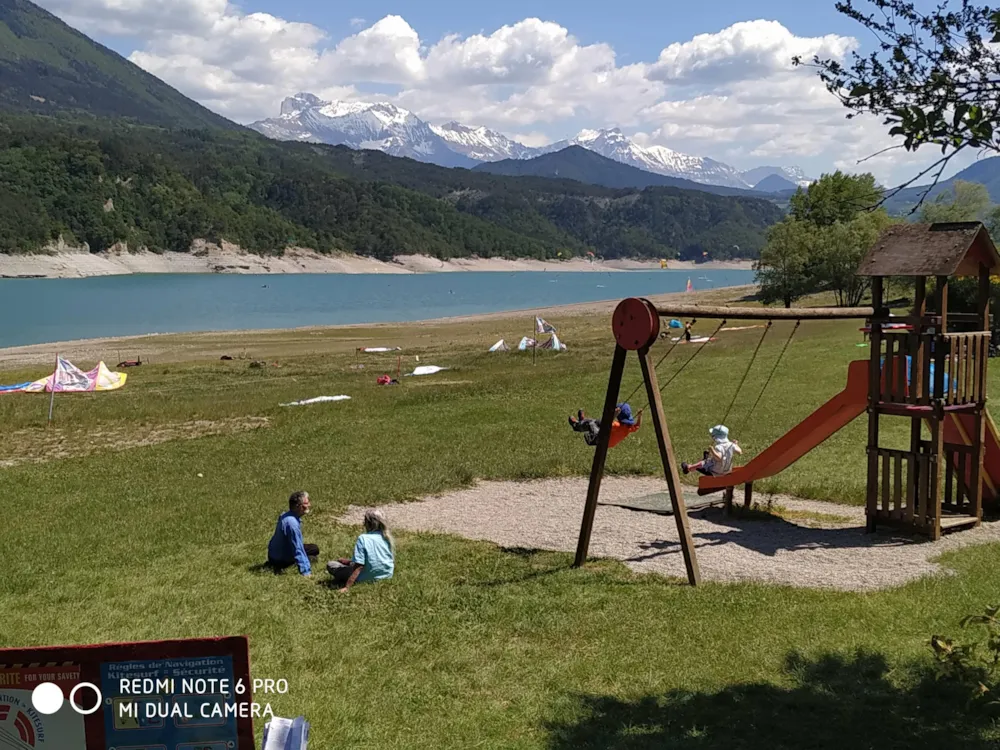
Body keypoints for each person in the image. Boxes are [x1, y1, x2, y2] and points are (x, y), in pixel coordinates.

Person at [326, 509, 395, 592]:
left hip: (365, 577)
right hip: (386, 575)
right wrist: (349, 562)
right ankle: (349, 563)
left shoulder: (363, 538)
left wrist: (347, 586)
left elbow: (359, 566)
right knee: (348, 563)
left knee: (331, 565)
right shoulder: (386, 537)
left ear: (368, 523)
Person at [266, 491, 319, 576]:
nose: (309, 505)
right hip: (281, 559)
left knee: (314, 548)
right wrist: (306, 571)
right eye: (306, 503)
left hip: (273, 554)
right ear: (299, 507)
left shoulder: (286, 515)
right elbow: (297, 548)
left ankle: (273, 563)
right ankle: (283, 566)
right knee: (312, 558)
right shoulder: (292, 524)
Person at [568, 402, 640, 447]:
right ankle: (582, 421)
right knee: (597, 421)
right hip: (607, 439)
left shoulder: (616, 426)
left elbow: (606, 424)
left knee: (591, 423)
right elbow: (637, 426)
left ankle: (576, 425)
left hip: (600, 439)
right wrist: (640, 416)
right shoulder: (628, 428)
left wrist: (614, 415)